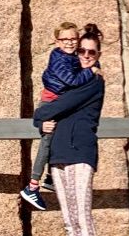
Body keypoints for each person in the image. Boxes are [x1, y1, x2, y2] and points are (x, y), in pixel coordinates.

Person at [33, 23, 105, 236]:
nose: (85, 55)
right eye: (81, 50)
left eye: (91, 52)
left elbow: (58, 106)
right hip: (58, 153)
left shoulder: (94, 81)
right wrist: (40, 123)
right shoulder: (70, 79)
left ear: (98, 54)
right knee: (69, 223)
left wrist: (37, 116)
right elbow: (51, 112)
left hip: (80, 154)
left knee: (83, 220)